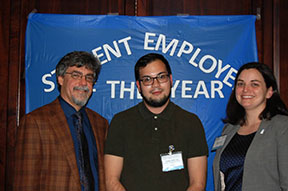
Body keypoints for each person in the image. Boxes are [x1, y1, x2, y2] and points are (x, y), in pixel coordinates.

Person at [104, 53, 208, 191]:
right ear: (139, 86)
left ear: (170, 80)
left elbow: (198, 184)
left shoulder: (191, 123)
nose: (156, 84)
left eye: (161, 77)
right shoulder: (120, 122)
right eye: (147, 79)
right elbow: (111, 180)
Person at [13, 51, 108, 191]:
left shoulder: (101, 124)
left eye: (89, 77)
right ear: (60, 79)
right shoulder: (35, 122)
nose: (83, 83)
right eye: (76, 75)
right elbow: (25, 182)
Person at [213, 62, 288, 191]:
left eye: (254, 84)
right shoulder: (229, 129)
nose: (245, 89)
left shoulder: (282, 127)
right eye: (240, 84)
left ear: (269, 92)